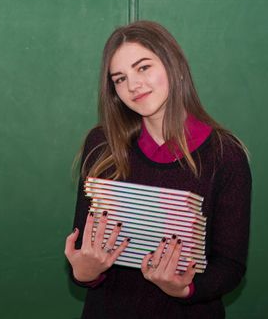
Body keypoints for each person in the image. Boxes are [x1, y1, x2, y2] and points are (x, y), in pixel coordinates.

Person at [64, 20, 252, 318]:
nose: (133, 85)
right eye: (119, 79)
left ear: (173, 65)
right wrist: (85, 272)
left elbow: (229, 266)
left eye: (143, 67)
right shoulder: (102, 144)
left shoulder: (225, 155)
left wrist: (185, 289)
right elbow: (84, 251)